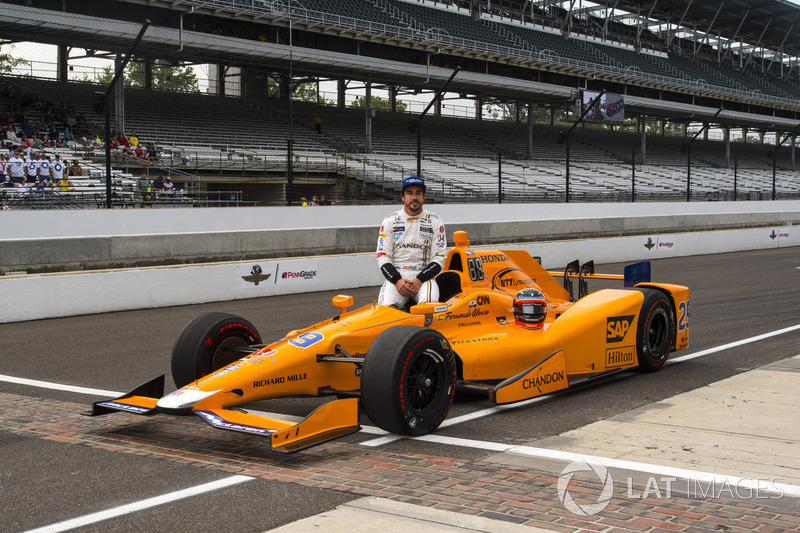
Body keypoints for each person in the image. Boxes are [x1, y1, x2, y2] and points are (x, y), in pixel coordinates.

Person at [376, 175, 447, 308]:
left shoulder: (435, 221)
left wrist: (419, 280)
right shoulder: (390, 221)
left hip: (424, 278)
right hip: (397, 277)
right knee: (385, 308)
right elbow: (382, 256)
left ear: (423, 197)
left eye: (418, 193)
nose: (414, 197)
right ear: (403, 197)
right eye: (409, 193)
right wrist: (397, 281)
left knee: (430, 305)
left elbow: (439, 259)